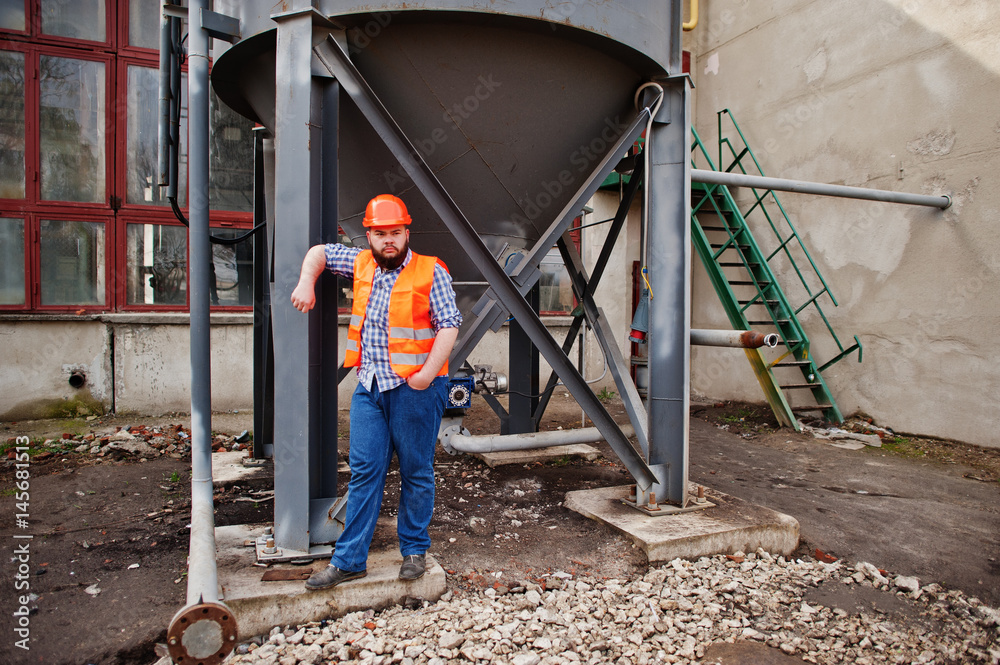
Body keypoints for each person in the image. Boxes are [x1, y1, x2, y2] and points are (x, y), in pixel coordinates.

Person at [290, 194, 462, 589]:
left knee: (416, 471)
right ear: (368, 234)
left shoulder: (429, 271)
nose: (388, 240)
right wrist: (306, 282)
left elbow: (449, 325)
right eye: (380, 233)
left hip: (415, 390)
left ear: (406, 231)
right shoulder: (361, 261)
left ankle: (415, 551)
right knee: (365, 472)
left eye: (395, 233)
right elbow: (318, 252)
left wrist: (425, 376)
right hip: (369, 387)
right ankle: (350, 560)